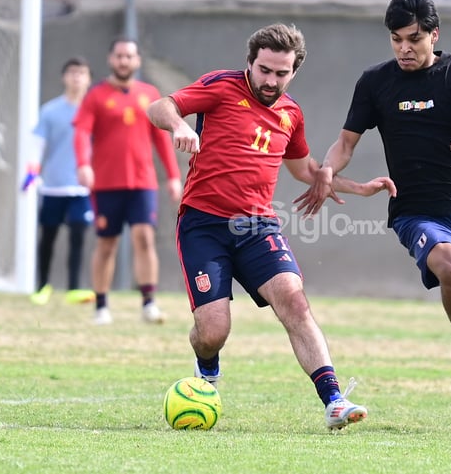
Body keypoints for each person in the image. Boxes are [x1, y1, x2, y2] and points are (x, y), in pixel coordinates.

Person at [146, 23, 396, 430]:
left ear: (293, 71)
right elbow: (160, 105)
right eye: (264, 70)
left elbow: (305, 170)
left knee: (294, 300)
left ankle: (333, 400)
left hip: (257, 226)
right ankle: (206, 363)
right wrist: (178, 125)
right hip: (203, 224)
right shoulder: (221, 87)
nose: (270, 80)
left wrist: (358, 187)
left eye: (281, 73)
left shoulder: (291, 114)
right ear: (250, 62)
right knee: (213, 331)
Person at [295, 0, 451, 433]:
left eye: (413, 38)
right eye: (396, 40)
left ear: (434, 34)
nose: (404, 48)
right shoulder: (376, 82)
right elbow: (346, 143)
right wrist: (328, 170)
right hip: (415, 210)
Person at [73, 37, 182, 326]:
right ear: (111, 59)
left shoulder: (149, 94)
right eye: (119, 55)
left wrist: (173, 176)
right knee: (107, 243)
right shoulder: (95, 96)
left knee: (144, 238)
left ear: (137, 61)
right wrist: (83, 164)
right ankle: (101, 306)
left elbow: (162, 139)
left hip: (143, 182)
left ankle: (148, 303)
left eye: (129, 56)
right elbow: (82, 133)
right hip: (106, 182)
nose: (124, 61)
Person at [24, 56, 96, 306]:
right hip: (53, 187)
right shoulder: (50, 111)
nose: (76, 77)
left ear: (89, 78)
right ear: (64, 77)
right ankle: (42, 286)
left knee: (79, 234)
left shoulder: (96, 110)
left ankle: (74, 287)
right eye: (72, 72)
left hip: (82, 188)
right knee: (48, 237)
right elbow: (37, 146)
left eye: (82, 72)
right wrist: (31, 174)